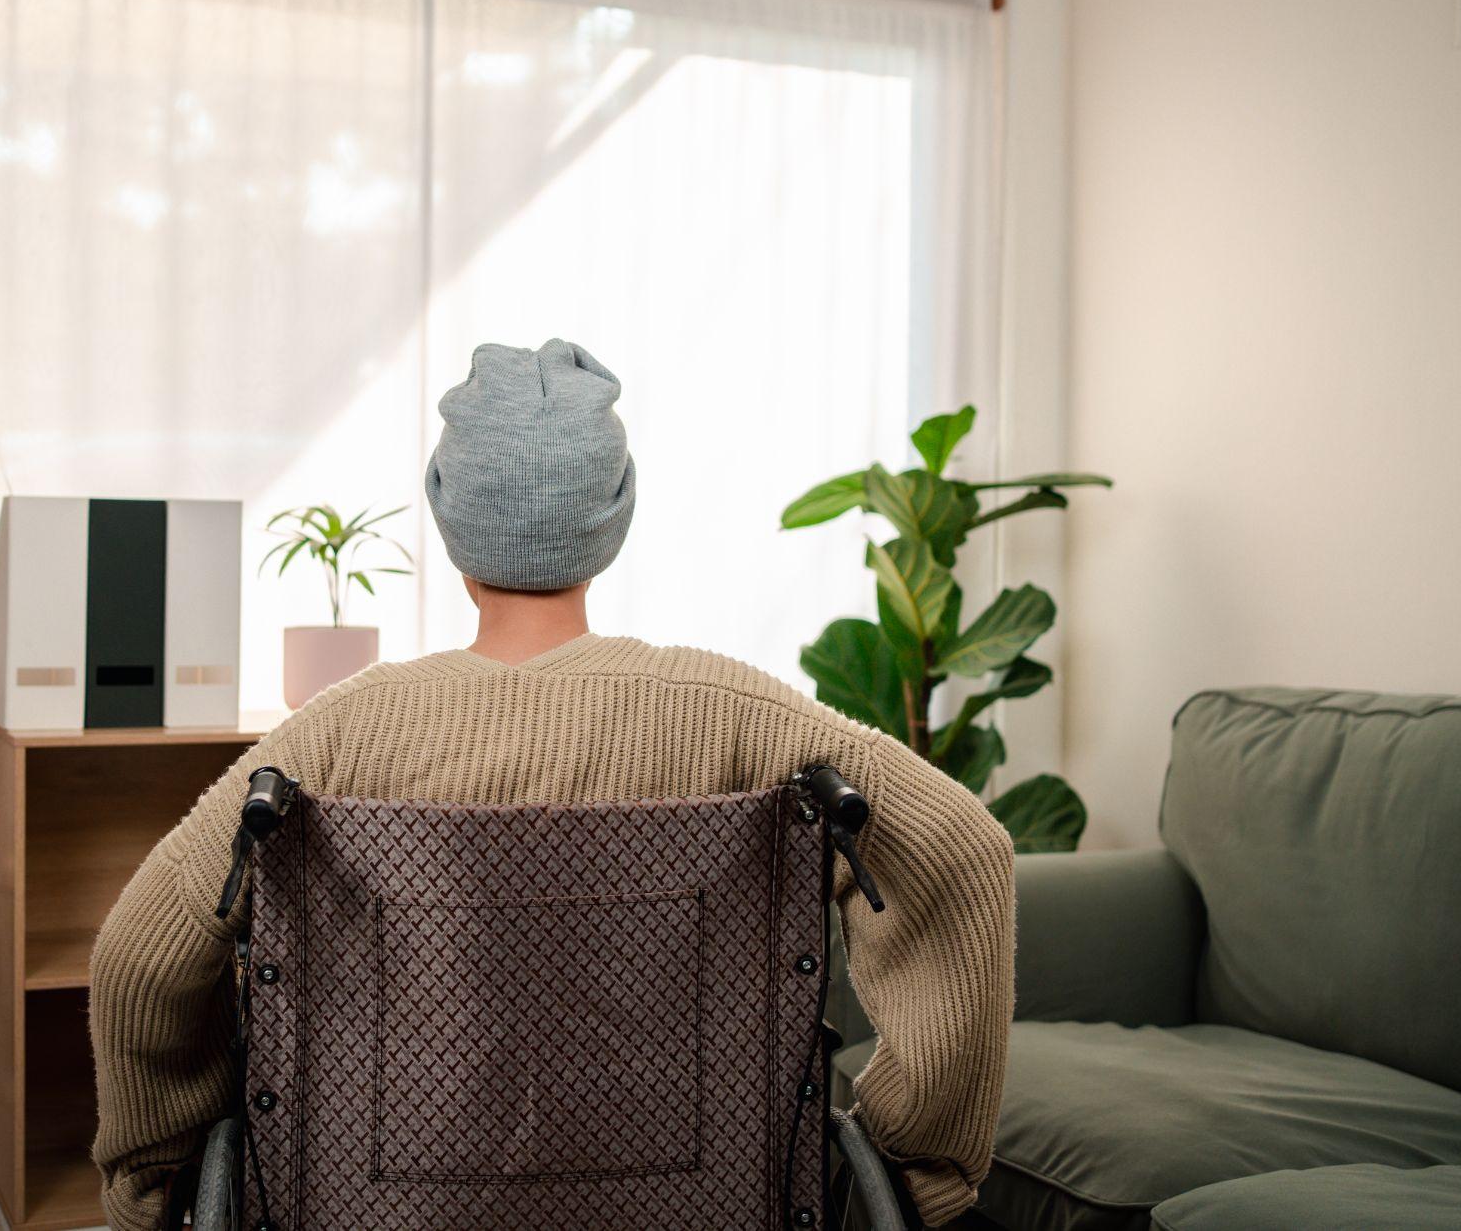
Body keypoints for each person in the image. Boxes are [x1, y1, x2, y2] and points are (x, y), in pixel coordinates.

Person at [88, 339, 1015, 1230]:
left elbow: (139, 959)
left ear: (450, 519)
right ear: (612, 520)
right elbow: (965, 851)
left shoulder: (334, 735)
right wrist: (913, 1154)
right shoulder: (736, 714)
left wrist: (161, 1175)